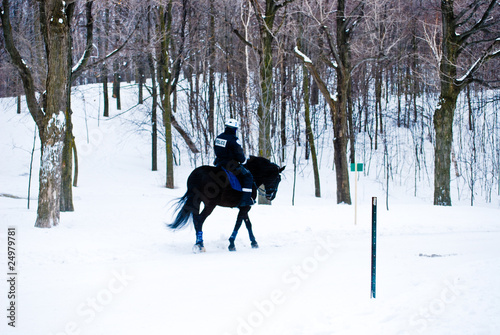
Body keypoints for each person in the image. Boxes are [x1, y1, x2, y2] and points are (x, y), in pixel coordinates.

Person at [214, 118, 254, 206]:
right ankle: (245, 201)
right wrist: (243, 161)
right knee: (248, 176)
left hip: (218, 163)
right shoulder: (234, 140)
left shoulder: (219, 137)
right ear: (234, 129)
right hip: (230, 165)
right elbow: (239, 154)